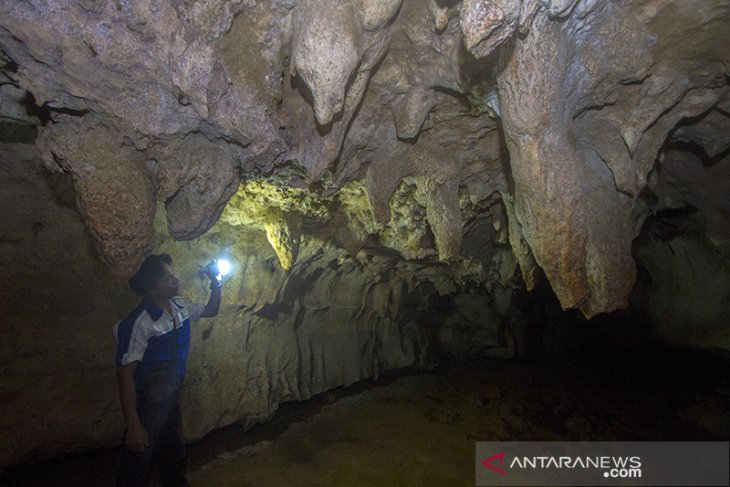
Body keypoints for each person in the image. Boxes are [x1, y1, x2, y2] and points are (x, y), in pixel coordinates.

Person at [114, 254, 222, 487]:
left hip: (169, 398)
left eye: (173, 275)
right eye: (167, 278)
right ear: (152, 289)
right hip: (146, 405)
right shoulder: (140, 323)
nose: (175, 279)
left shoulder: (180, 307)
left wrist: (216, 281)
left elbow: (211, 310)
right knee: (138, 462)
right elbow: (126, 378)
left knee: (173, 455)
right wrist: (133, 425)